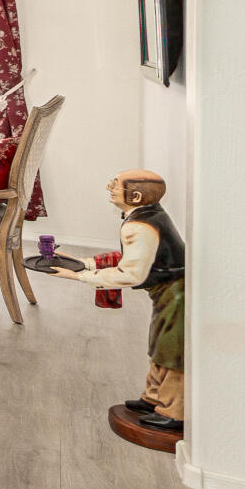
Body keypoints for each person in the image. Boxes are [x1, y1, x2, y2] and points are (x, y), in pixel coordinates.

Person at [52, 169, 186, 432]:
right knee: (159, 347)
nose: (110, 187)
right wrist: (83, 263)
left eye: (116, 184)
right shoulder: (148, 216)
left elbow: (131, 274)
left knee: (170, 352)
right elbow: (132, 259)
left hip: (175, 294)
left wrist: (79, 276)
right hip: (168, 291)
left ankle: (174, 412)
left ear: (135, 195)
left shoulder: (139, 226)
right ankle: (154, 398)